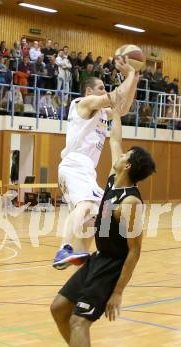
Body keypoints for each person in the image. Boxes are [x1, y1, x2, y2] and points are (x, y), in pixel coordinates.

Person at [42, 110, 156, 347]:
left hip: (111, 266)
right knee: (59, 308)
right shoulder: (111, 180)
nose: (117, 154)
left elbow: (135, 250)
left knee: (80, 321)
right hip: (97, 259)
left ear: (127, 166)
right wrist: (115, 109)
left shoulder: (131, 203)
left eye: (124, 156)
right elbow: (115, 138)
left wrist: (118, 291)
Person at [52, 57, 140, 269]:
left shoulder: (102, 112)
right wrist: (128, 75)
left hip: (86, 171)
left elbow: (123, 107)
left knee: (104, 210)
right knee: (84, 205)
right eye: (100, 88)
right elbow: (114, 97)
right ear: (89, 91)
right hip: (73, 164)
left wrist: (135, 78)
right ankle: (63, 249)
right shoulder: (83, 103)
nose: (104, 91)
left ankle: (83, 255)